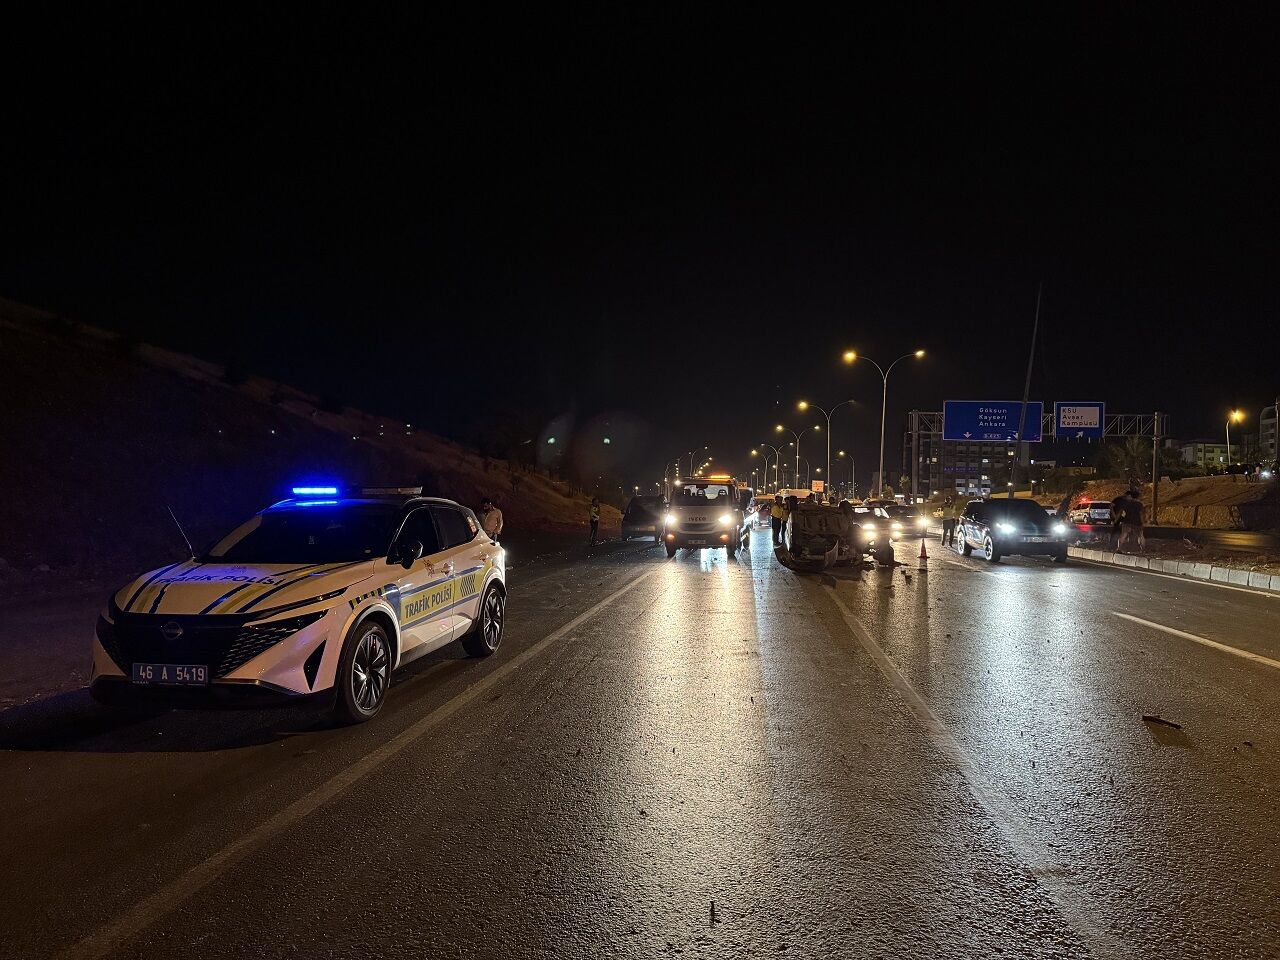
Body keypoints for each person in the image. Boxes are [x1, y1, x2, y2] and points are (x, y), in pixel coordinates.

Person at [1116, 489, 1145, 553]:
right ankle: (1143, 549)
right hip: (1137, 522)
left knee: (1124, 535)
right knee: (1141, 535)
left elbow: (1120, 512)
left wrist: (1116, 520)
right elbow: (1141, 514)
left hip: (1127, 521)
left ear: (1131, 496)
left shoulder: (1126, 504)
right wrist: (1142, 523)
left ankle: (1119, 548)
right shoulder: (1140, 504)